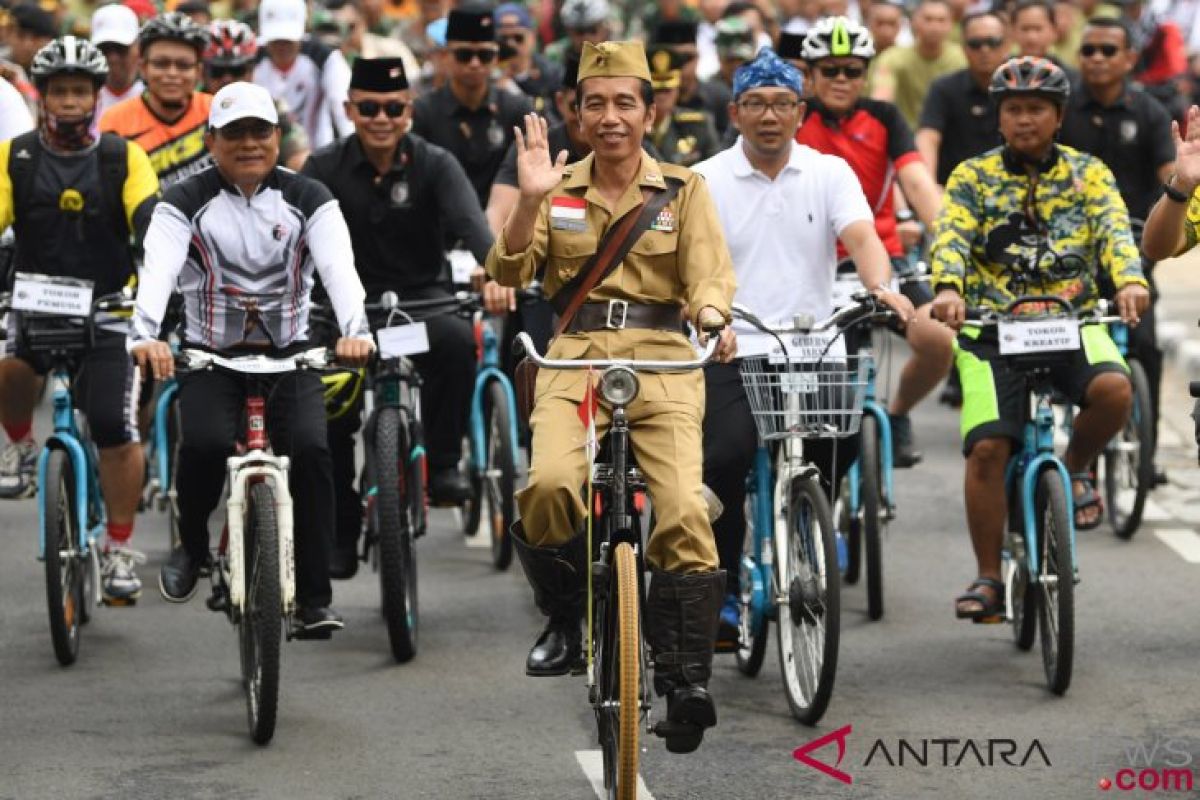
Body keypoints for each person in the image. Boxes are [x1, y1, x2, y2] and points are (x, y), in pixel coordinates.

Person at [485, 40, 736, 755]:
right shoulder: (555, 184)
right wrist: (530, 200)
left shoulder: (684, 190)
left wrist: (713, 320)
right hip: (573, 360)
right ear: (576, 111)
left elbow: (710, 276)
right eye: (595, 102)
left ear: (649, 110)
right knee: (550, 487)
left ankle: (686, 678)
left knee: (685, 508)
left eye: (625, 101)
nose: (611, 116)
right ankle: (564, 620)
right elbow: (507, 269)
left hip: (661, 362)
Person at [131, 81, 374, 635]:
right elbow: (159, 272)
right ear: (211, 140)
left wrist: (356, 331)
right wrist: (144, 335)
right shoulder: (183, 202)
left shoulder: (310, 197)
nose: (248, 143)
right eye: (234, 133)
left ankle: (314, 598)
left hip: (293, 357)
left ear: (276, 137)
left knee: (314, 452)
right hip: (210, 357)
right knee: (208, 444)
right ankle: (190, 546)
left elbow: (339, 270)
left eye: (259, 132)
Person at [693, 47, 915, 647]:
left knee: (833, 445)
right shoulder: (705, 180)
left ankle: (806, 533)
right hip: (733, 348)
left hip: (814, 347)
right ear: (735, 112)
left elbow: (863, 236)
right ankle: (727, 592)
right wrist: (710, 320)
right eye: (757, 104)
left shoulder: (829, 171)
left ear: (800, 111)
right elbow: (692, 264)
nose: (770, 116)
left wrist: (882, 288)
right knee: (728, 457)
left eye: (783, 104)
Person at [929, 56, 1149, 620]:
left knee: (1115, 391)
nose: (1024, 120)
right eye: (1013, 110)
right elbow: (950, 236)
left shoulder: (1088, 172)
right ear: (998, 118)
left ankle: (1075, 467)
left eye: (1037, 109)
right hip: (990, 330)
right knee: (987, 449)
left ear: (1058, 116)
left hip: (1071, 320)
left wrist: (1128, 279)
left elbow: (1115, 233)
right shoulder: (971, 176)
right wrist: (949, 288)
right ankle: (987, 578)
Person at [301, 58, 495, 578]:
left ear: (408, 110)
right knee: (328, 414)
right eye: (368, 107)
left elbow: (473, 226)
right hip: (341, 313)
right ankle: (342, 529)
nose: (381, 118)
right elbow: (292, 242)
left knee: (457, 340)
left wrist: (496, 271)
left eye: (392, 107)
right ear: (349, 110)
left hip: (420, 303)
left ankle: (447, 460)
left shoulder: (436, 164)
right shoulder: (321, 169)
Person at [0, 37, 159, 602]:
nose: (69, 102)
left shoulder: (122, 157)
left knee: (116, 431)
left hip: (110, 308)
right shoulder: (15, 156)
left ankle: (118, 548)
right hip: (33, 302)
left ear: (96, 96)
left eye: (79, 92)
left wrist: (159, 259)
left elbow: (148, 216)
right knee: (8, 363)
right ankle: (19, 445)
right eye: (58, 92)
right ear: (41, 97)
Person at [797, 16, 954, 467]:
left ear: (866, 74)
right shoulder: (794, 116)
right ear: (810, 74)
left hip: (885, 259)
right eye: (830, 70)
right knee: (826, 380)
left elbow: (918, 183)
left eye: (852, 70)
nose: (842, 80)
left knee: (938, 337)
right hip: (816, 264)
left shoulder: (884, 117)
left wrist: (951, 239)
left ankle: (899, 413)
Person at [1060, 15, 1174, 485]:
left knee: (1145, 345)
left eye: (1109, 51)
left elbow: (1172, 177)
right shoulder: (1061, 110)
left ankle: (1145, 455)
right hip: (1069, 255)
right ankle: (1073, 447)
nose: (1098, 59)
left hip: (1135, 246)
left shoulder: (1149, 113)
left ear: (1129, 59)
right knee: (1067, 348)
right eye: (1089, 51)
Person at [411, 7, 532, 208]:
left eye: (484, 55)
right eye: (464, 55)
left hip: (504, 224)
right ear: (445, 56)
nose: (475, 64)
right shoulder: (423, 112)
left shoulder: (517, 109)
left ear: (495, 58)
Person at [99, 12, 212, 189]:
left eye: (183, 65)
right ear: (142, 68)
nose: (172, 74)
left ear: (198, 71)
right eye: (161, 64)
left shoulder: (216, 112)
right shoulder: (114, 122)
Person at [916, 10, 1009, 187]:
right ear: (964, 48)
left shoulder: (1021, 90)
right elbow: (928, 138)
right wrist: (928, 187)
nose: (984, 50)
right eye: (975, 44)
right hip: (956, 193)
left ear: (1007, 46)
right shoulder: (944, 88)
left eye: (993, 42)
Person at [202, 19, 310, 171]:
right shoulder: (187, 106)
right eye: (218, 71)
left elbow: (298, 153)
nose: (227, 79)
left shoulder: (273, 106)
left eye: (237, 70)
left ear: (252, 70)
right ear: (203, 71)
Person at [252, 0, 353, 150]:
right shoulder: (251, 59)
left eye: (288, 40)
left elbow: (343, 110)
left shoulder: (325, 58)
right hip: (266, 153)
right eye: (275, 40)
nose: (282, 46)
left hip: (317, 153)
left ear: (303, 30)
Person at [869, 0, 966, 130]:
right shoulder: (893, 57)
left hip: (949, 135)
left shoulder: (962, 58)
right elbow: (882, 97)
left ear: (951, 24)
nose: (934, 26)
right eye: (928, 19)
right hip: (904, 134)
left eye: (941, 20)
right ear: (913, 22)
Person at [648, 46, 721, 167]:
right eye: (655, 90)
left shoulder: (699, 125)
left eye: (667, 90)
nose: (661, 97)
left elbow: (715, 169)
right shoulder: (633, 127)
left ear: (677, 90)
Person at [494, 2, 562, 117]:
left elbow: (558, 124)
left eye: (518, 38)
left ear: (532, 37)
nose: (511, 44)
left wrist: (515, 94)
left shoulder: (551, 74)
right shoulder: (487, 76)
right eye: (503, 38)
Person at [89, 3, 143, 120]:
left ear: (137, 48)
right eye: (105, 49)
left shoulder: (155, 98)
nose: (113, 58)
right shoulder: (84, 100)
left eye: (121, 48)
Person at [543, 0, 610, 66]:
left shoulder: (616, 54)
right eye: (579, 31)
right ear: (569, 32)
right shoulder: (555, 55)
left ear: (603, 29)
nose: (586, 37)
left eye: (592, 30)